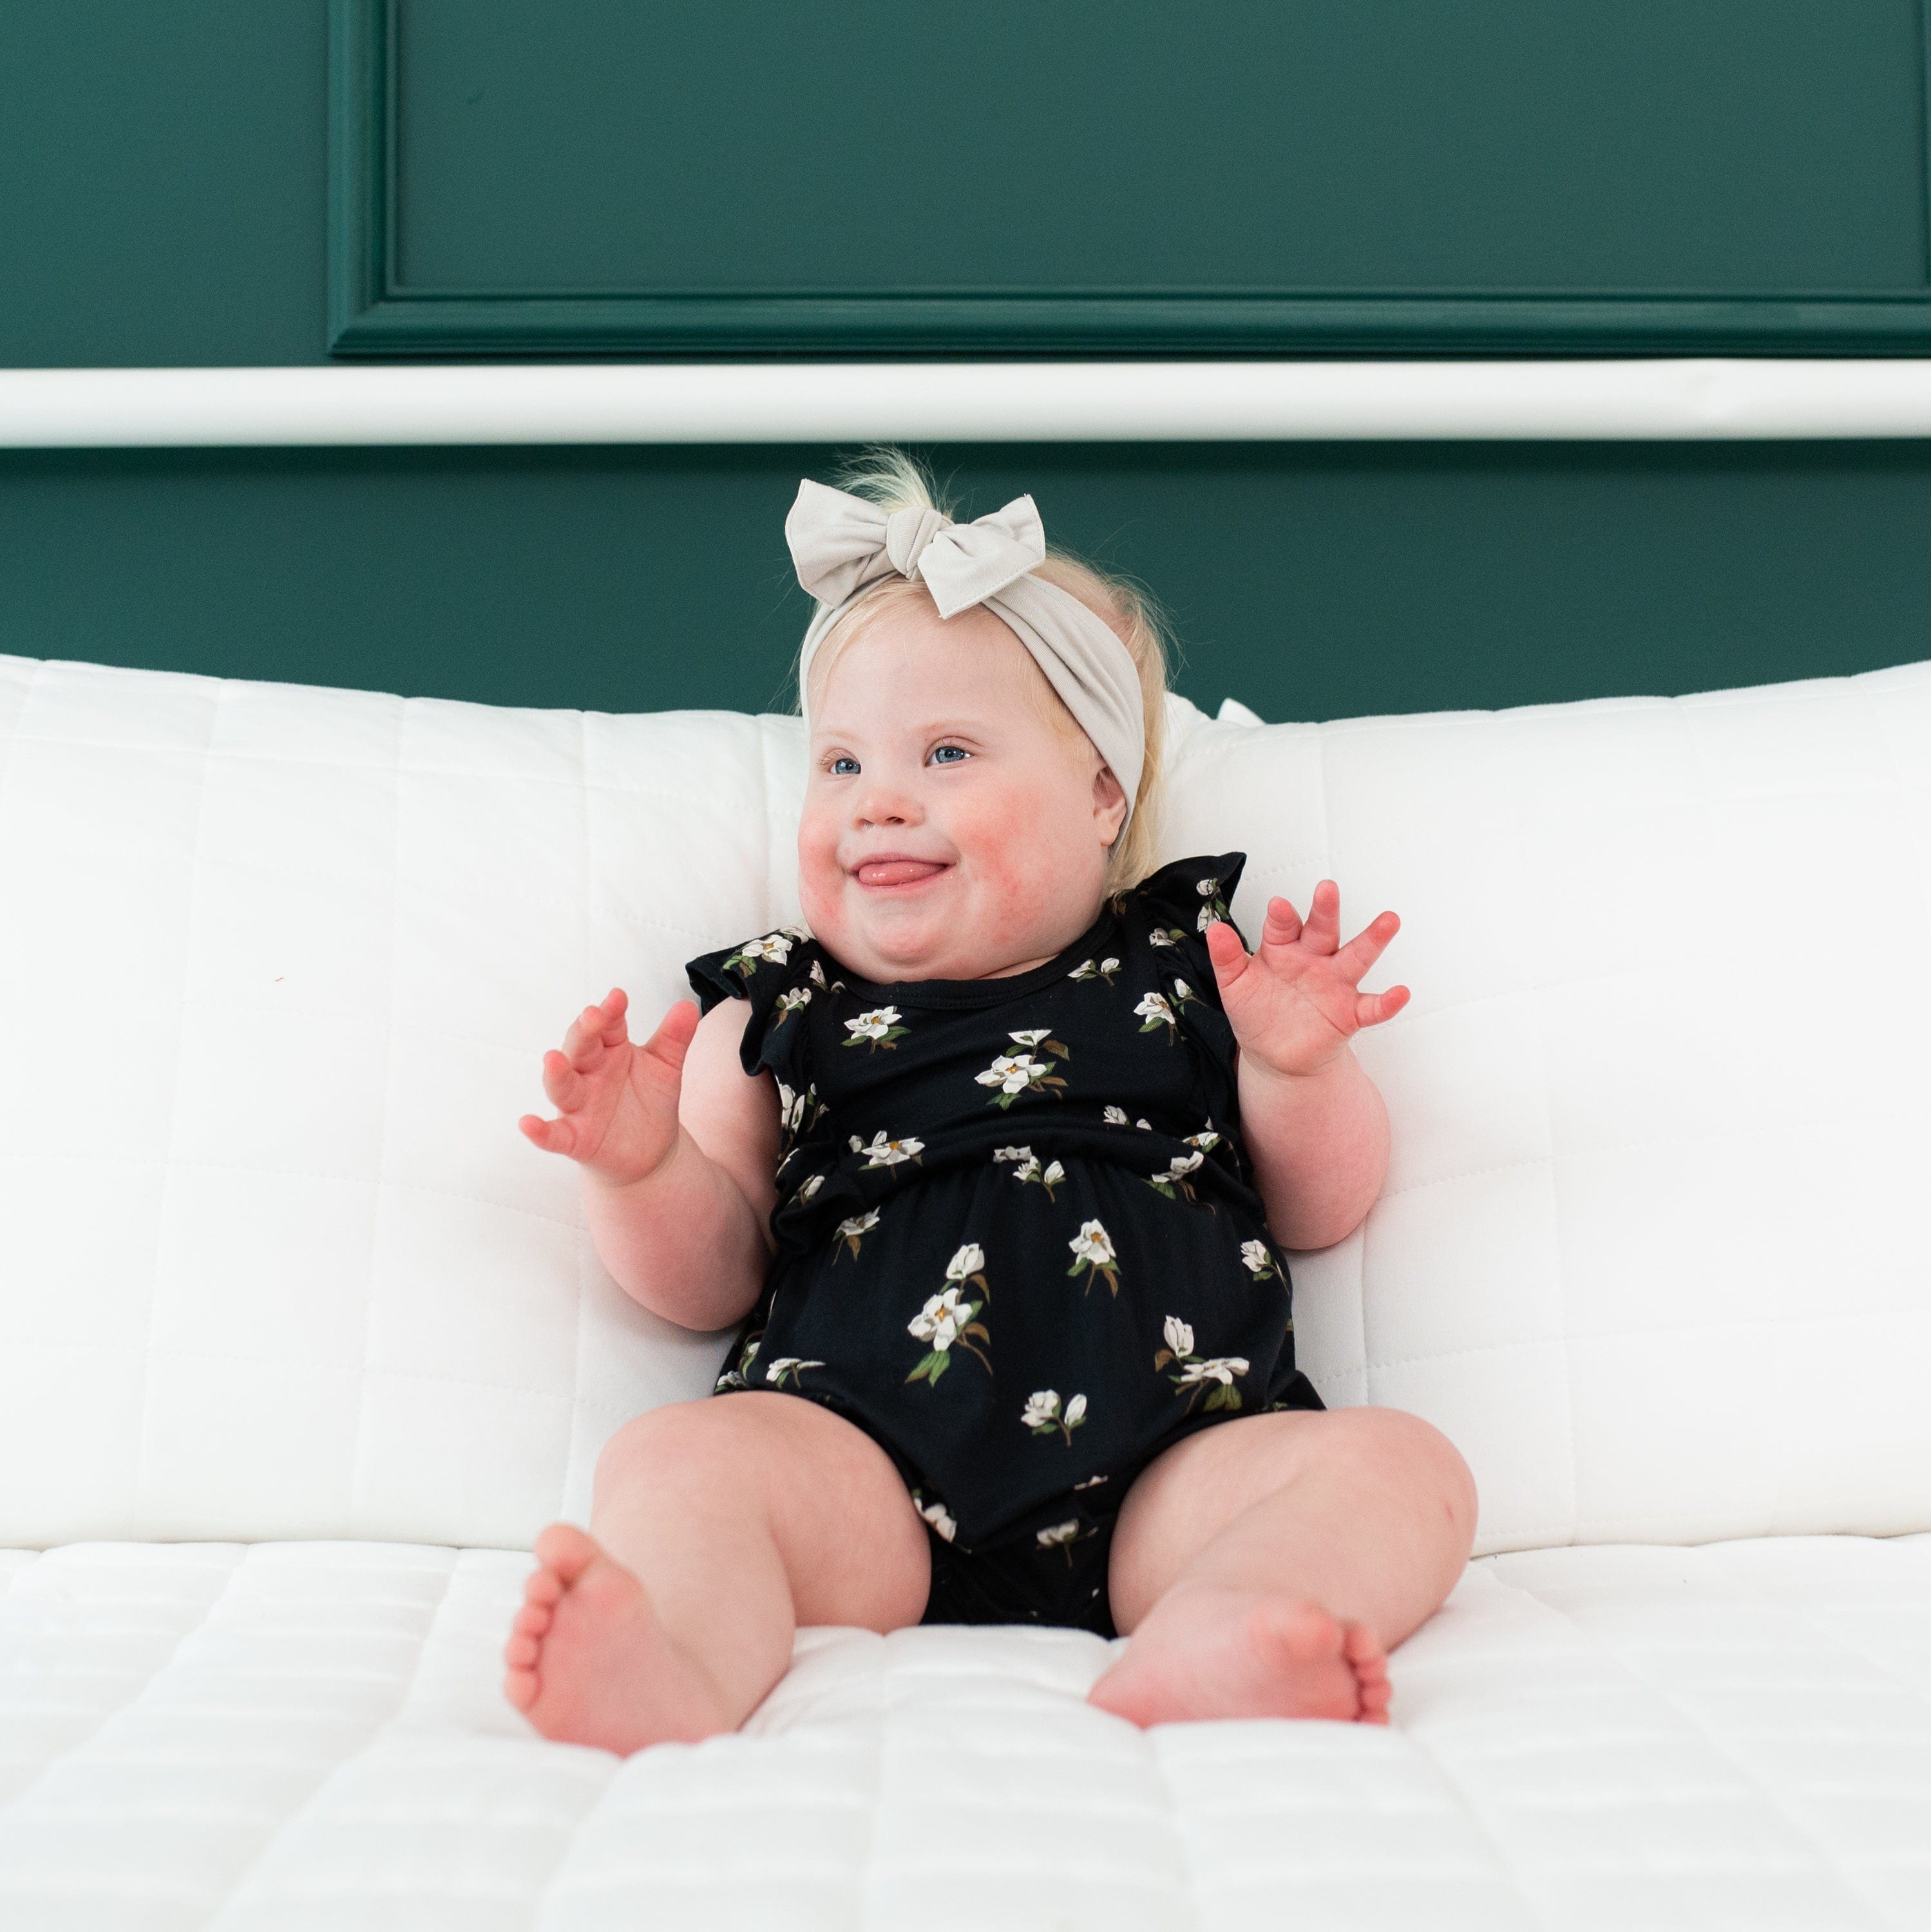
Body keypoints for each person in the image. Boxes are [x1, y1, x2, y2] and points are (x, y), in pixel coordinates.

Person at [503, 448, 1478, 1754]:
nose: (877, 802)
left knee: (1403, 1469)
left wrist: (1296, 1069)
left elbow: (1320, 1205)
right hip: (861, 1472)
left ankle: (1227, 1626)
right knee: (680, 1464)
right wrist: (638, 1171)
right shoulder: (780, 1007)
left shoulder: (1193, 971)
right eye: (838, 765)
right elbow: (712, 1281)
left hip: (1175, 1469)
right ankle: (673, 1660)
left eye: (945, 752)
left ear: (1098, 798)